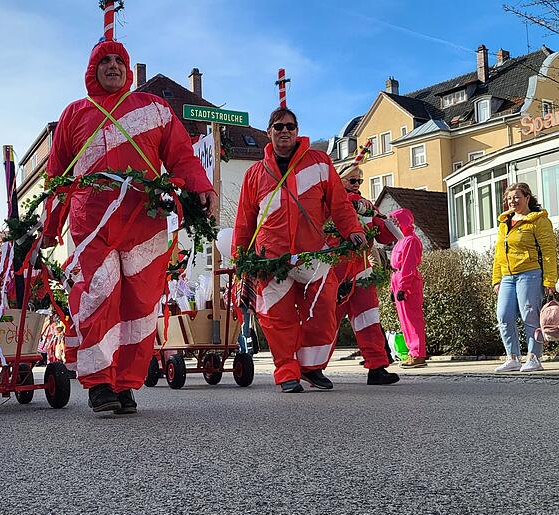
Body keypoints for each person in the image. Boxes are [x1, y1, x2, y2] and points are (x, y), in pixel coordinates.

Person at [44, 37, 215, 414]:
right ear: (92, 70)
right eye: (104, 61)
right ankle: (100, 383)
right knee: (99, 293)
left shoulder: (154, 109)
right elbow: (57, 174)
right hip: (93, 221)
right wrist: (50, 223)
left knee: (139, 304)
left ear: (127, 68)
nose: (113, 67)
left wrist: (200, 186)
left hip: (145, 218)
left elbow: (181, 156)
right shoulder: (75, 114)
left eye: (119, 61)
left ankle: (126, 382)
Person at [232, 108, 365, 393]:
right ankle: (287, 372)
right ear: (269, 132)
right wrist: (240, 259)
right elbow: (244, 220)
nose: (285, 131)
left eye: (290, 126)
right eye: (278, 126)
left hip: (313, 254)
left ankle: (311, 367)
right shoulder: (254, 174)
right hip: (271, 258)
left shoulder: (319, 162)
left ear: (297, 130)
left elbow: (340, 202)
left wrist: (353, 230)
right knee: (277, 318)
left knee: (325, 306)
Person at [325, 166, 399, 385]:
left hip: (362, 269)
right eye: (351, 180)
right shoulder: (328, 202)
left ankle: (377, 366)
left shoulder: (367, 205)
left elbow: (382, 235)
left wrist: (390, 225)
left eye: (359, 181)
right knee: (327, 322)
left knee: (369, 319)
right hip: (335, 270)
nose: (356, 185)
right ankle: (311, 368)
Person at [492, 182, 558, 373]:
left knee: (530, 316)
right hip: (507, 277)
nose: (512, 201)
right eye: (509, 198)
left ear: (527, 198)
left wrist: (549, 280)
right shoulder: (505, 223)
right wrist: (497, 278)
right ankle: (512, 358)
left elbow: (548, 252)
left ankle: (534, 358)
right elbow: (498, 253)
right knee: (503, 316)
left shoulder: (538, 220)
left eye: (517, 197)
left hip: (530, 274)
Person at [389, 208, 428, 369]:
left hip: (408, 283)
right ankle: (413, 352)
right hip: (400, 281)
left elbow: (408, 266)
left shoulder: (411, 241)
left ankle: (418, 354)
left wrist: (402, 287)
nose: (395, 224)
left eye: (397, 221)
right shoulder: (402, 240)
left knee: (413, 319)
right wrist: (394, 288)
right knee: (405, 320)